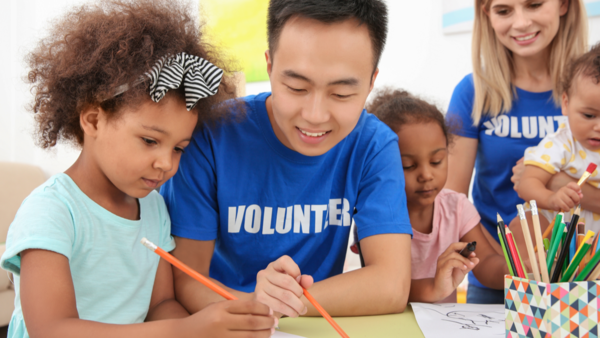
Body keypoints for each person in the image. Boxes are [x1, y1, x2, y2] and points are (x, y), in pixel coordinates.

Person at [0, 1, 277, 337]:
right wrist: (185, 330)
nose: (166, 163)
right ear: (93, 119)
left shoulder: (152, 208)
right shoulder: (51, 212)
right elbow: (53, 329)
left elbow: (160, 306)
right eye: (149, 141)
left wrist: (211, 324)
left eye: (179, 149)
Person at [160, 0, 412, 318]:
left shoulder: (374, 145)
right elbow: (186, 278)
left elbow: (391, 285)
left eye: (341, 94)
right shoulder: (212, 134)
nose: (315, 116)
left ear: (371, 82)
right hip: (222, 319)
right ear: (269, 67)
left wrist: (278, 303)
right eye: (296, 87)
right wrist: (251, 304)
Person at [445, 0, 588, 304]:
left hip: (586, 278)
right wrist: (495, 266)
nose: (521, 23)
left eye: (534, 4)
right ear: (487, 15)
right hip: (499, 279)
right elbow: (450, 200)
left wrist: (555, 184)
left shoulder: (592, 90)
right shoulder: (472, 92)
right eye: (504, 10)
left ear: (563, 5)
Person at [365, 89, 509, 303]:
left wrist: (520, 272)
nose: (426, 175)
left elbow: (486, 262)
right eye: (409, 166)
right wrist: (433, 286)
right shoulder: (376, 214)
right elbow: (383, 286)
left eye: (436, 161)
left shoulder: (457, 207)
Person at [517, 43, 600, 232]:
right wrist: (550, 198)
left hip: (592, 247)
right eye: (588, 115)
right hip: (554, 238)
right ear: (566, 103)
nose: (598, 127)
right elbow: (527, 184)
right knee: (525, 226)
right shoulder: (561, 143)